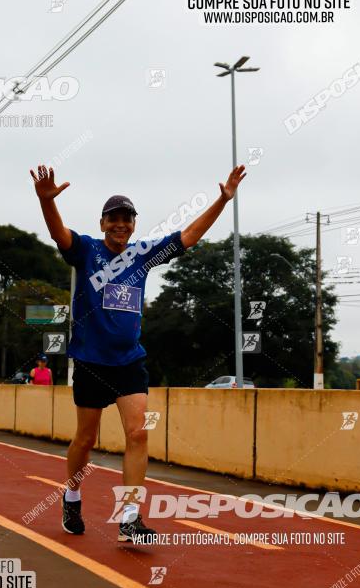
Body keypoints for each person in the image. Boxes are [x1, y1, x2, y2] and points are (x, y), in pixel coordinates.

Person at [30, 163, 246, 543]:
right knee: (86, 439)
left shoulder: (143, 255)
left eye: (126, 219)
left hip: (130, 361)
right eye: (113, 219)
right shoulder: (86, 250)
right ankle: (73, 495)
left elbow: (188, 236)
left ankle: (130, 516)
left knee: (138, 434)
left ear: (133, 225)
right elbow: (57, 233)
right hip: (91, 363)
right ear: (102, 224)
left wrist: (223, 200)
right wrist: (47, 201)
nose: (120, 225)